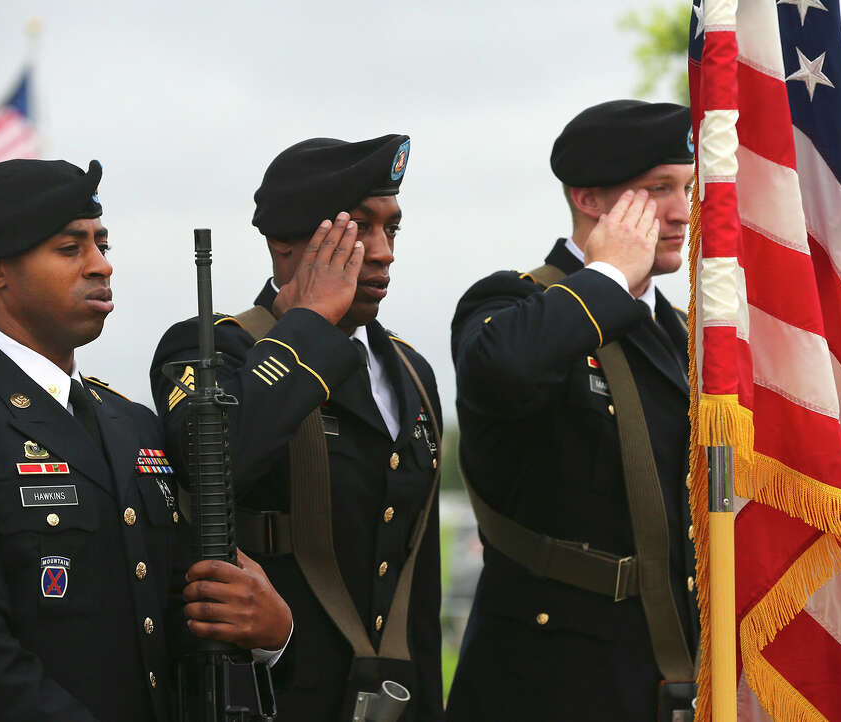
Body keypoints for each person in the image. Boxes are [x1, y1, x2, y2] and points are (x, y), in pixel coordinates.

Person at [0, 159, 292, 722]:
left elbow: (168, 620)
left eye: (102, 243)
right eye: (71, 249)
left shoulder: (130, 422)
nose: (101, 265)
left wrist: (268, 632)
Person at [151, 135, 444, 722]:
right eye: (359, 228)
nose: (383, 251)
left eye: (393, 229)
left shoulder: (412, 371)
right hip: (275, 698)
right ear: (283, 241)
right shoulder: (209, 349)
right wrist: (310, 319)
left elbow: (417, 579)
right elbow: (218, 458)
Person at [446, 100, 699, 721]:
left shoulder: (685, 334)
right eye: (658, 189)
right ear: (588, 200)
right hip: (551, 680)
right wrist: (610, 271)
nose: (681, 210)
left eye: (688, 188)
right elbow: (506, 370)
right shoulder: (512, 303)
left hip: (670, 671)